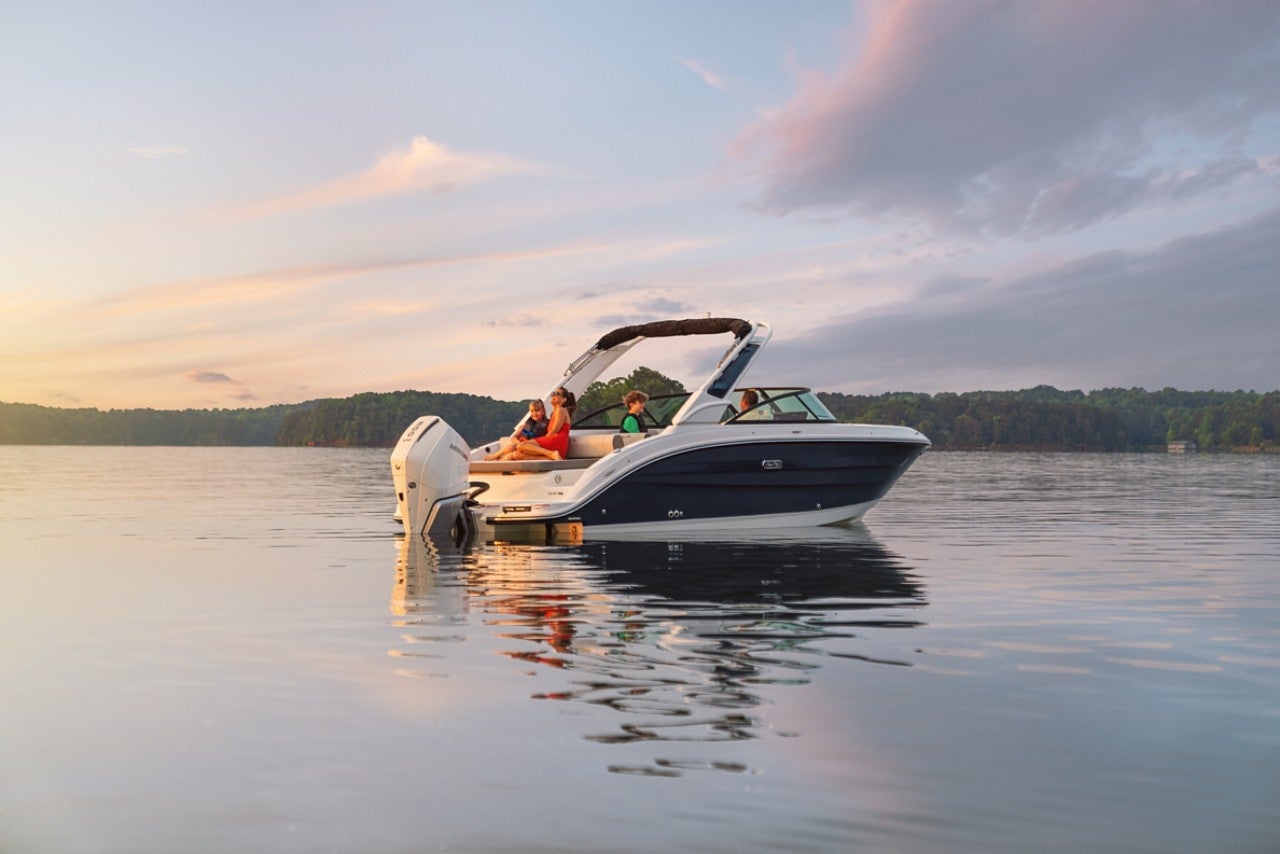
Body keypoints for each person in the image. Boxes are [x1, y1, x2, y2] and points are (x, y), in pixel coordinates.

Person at [513, 388, 577, 461]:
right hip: (554, 443)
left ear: (563, 400)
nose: (553, 395)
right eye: (553, 393)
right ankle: (552, 457)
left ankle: (551, 454)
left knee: (521, 446)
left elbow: (555, 430)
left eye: (557, 394)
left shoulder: (561, 409)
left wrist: (543, 440)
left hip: (558, 441)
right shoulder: (554, 412)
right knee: (517, 455)